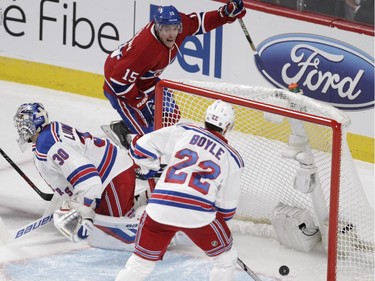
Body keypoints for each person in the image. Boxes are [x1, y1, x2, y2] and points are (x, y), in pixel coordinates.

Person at [115, 100, 245, 281]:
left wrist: (151, 167)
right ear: (228, 126)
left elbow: (141, 146)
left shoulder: (184, 131)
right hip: (198, 214)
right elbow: (227, 208)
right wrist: (223, 236)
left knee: (140, 263)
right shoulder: (233, 158)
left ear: (206, 118)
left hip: (158, 207)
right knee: (224, 260)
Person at [103, 1, 247, 148]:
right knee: (152, 140)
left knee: (171, 116)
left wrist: (225, 14)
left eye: (174, 28)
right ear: (157, 27)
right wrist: (141, 104)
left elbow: (199, 23)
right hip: (121, 89)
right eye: (166, 29)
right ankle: (131, 148)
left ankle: (127, 126)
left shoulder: (179, 25)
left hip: (146, 81)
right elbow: (118, 81)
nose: (172, 34)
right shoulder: (144, 49)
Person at [13, 102, 138, 245]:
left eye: (25, 122)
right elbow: (67, 173)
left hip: (111, 177)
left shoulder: (49, 144)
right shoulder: (48, 134)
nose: (21, 127)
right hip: (111, 172)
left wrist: (83, 205)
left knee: (117, 234)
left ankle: (153, 214)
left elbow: (87, 175)